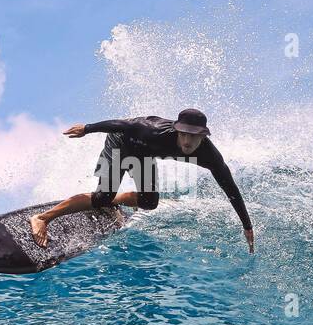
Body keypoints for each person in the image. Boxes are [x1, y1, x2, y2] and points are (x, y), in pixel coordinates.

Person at [30, 108, 255, 253]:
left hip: (143, 155)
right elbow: (123, 125)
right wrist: (88, 129)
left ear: (203, 136)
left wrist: (247, 226)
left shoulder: (209, 156)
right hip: (120, 143)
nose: (187, 141)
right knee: (102, 197)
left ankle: (113, 201)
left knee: (149, 203)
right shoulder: (153, 130)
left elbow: (230, 189)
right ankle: (42, 218)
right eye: (183, 134)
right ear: (177, 130)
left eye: (193, 136)